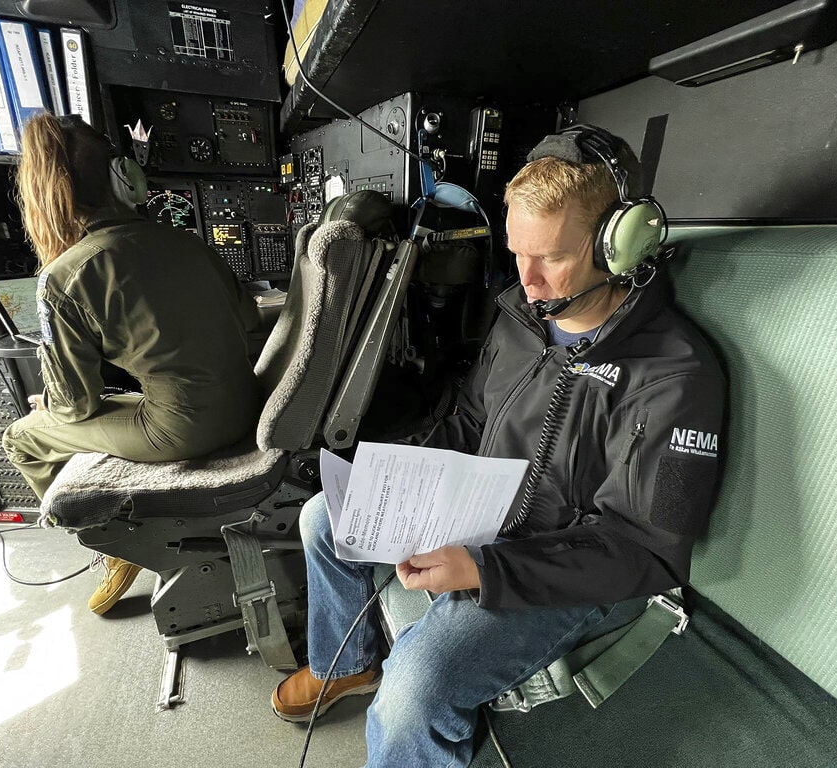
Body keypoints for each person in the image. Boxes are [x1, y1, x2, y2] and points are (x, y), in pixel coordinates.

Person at [270, 125, 727, 767]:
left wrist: (487, 570)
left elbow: (645, 552)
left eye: (552, 259)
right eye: (517, 254)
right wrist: (395, 479)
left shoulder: (676, 377)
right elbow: (471, 420)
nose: (529, 281)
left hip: (572, 568)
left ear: (618, 247)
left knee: (415, 690)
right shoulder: (519, 313)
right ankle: (342, 663)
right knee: (324, 513)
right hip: (487, 517)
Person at [2, 113, 262, 615]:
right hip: (246, 403)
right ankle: (120, 538)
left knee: (25, 435)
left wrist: (50, 405)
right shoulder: (188, 241)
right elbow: (248, 326)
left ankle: (115, 544)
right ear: (124, 176)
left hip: (183, 430)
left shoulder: (63, 277)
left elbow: (75, 408)